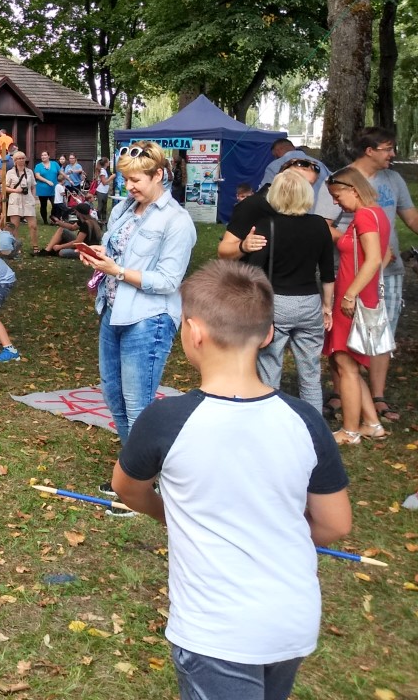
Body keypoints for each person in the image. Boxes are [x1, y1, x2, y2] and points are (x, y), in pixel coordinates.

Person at [112, 261, 351, 700]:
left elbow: (127, 488)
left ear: (193, 332)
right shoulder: (305, 420)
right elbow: (335, 523)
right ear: (268, 334)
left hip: (217, 629)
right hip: (291, 619)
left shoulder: (165, 419)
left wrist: (169, 515)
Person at [79, 141, 196, 503]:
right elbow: (118, 252)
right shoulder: (124, 210)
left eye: (136, 180)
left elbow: (168, 281)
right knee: (113, 395)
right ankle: (133, 475)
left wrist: (117, 270)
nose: (129, 187)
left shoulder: (177, 221)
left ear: (159, 174)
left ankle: (145, 484)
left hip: (149, 319)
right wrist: (99, 254)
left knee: (138, 404)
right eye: (125, 180)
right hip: (113, 311)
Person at [220, 168, 336, 412]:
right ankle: (313, 424)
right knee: (311, 373)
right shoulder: (319, 225)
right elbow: (327, 272)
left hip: (276, 304)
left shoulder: (266, 225)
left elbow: (255, 272)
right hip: (310, 303)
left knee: (269, 369)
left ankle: (269, 420)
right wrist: (327, 306)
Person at [334, 127, 418, 424]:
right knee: (346, 335)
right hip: (349, 272)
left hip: (388, 272)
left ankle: (376, 396)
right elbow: (323, 224)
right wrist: (361, 243)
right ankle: (342, 392)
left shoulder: (393, 180)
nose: (392, 154)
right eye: (387, 148)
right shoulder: (342, 180)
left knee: (382, 331)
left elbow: (411, 217)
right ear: (369, 150)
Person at [323, 168, 390, 445]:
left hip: (352, 300)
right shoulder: (376, 214)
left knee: (345, 363)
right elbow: (384, 255)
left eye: (337, 196)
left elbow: (374, 259)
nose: (335, 202)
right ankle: (372, 423)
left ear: (352, 189)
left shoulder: (364, 216)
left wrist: (351, 293)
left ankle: (350, 431)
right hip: (362, 295)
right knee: (348, 364)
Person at [3, 152, 38, 253]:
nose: (21, 160)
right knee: (15, 226)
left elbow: (33, 186)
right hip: (15, 200)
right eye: (19, 158)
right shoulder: (10, 173)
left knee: (33, 225)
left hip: (28, 199)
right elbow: (4, 188)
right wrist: (15, 190)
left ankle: (35, 246)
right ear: (15, 160)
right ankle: (16, 246)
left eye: (23, 158)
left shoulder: (29, 172)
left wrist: (33, 197)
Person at [34, 150, 60, 224]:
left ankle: (53, 219)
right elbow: (37, 176)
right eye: (42, 155)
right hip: (42, 189)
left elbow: (61, 172)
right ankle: (45, 221)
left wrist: (68, 179)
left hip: (53, 188)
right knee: (43, 205)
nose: (43, 156)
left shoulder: (54, 164)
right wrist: (47, 181)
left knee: (55, 204)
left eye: (45, 155)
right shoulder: (38, 166)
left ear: (49, 156)